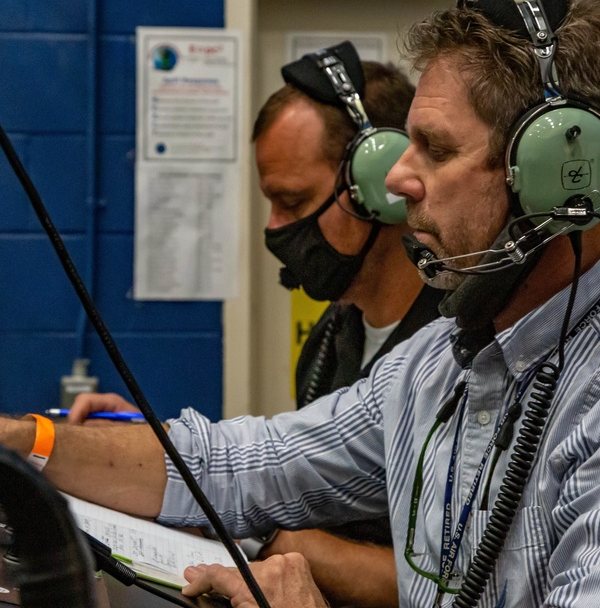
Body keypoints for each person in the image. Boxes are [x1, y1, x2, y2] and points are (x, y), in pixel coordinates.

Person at [0, 0, 600, 607]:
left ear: (562, 177)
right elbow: (238, 465)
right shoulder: (443, 362)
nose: (398, 185)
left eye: (433, 150)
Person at [67, 56, 443, 607]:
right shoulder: (330, 339)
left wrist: (272, 532)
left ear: (380, 188)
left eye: (292, 201)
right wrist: (142, 452)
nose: (274, 227)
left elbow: (447, 583)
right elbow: (280, 473)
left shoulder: (455, 350)